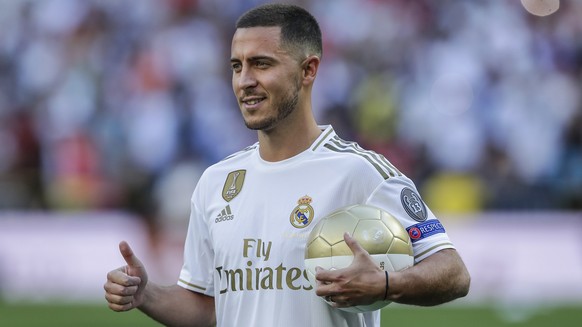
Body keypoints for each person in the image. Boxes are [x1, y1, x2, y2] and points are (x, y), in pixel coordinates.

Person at [104, 3, 471, 326]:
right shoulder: (216, 182)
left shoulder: (362, 173)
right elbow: (208, 309)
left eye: (261, 64)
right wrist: (146, 295)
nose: (245, 81)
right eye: (237, 66)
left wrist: (387, 284)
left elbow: (453, 272)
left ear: (308, 70)